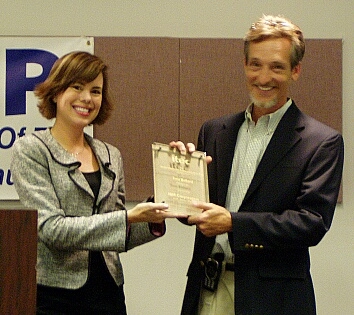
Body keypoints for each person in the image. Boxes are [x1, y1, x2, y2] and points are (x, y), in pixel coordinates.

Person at [171, 14, 344, 315]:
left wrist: (233, 224)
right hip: (207, 287)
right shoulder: (214, 130)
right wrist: (178, 175)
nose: (264, 78)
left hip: (274, 299)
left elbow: (311, 223)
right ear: (245, 65)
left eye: (277, 67)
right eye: (256, 65)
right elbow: (197, 213)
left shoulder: (321, 142)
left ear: (296, 70)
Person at [10, 51, 184, 314]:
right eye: (77, 87)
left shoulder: (110, 154)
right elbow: (51, 230)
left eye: (96, 91)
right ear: (56, 92)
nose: (87, 99)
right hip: (54, 297)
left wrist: (156, 210)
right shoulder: (32, 150)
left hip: (108, 294)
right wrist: (127, 218)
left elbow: (116, 235)